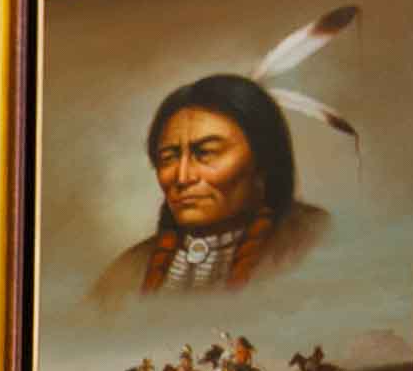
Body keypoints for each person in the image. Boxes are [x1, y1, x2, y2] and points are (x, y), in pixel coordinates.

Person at [87, 73, 330, 305]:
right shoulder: (127, 274)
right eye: (168, 157)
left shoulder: (316, 244)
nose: (182, 177)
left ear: (263, 160)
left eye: (206, 153)